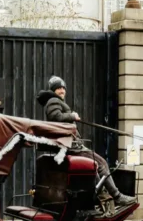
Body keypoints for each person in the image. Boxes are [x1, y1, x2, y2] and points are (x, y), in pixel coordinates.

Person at [36, 75, 137, 210]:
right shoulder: (53, 101)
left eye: (63, 88)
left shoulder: (54, 101)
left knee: (95, 168)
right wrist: (72, 116)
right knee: (101, 163)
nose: (62, 91)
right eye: (58, 88)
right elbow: (57, 117)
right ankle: (117, 197)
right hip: (72, 146)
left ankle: (101, 196)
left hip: (71, 144)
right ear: (53, 90)